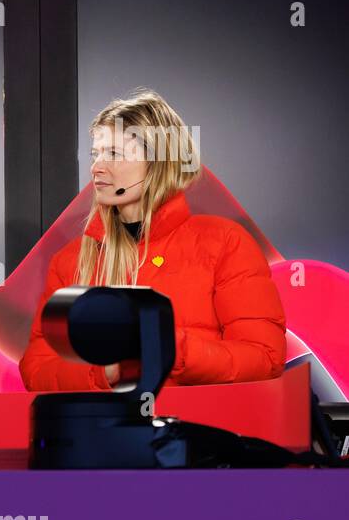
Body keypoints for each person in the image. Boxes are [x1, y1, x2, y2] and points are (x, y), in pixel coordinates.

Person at [19, 89, 285, 390]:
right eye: (96, 154)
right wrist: (103, 374)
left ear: (159, 161)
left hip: (194, 433)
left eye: (114, 154)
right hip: (101, 433)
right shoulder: (70, 260)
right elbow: (37, 368)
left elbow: (264, 358)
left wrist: (173, 349)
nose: (96, 167)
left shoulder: (225, 243)